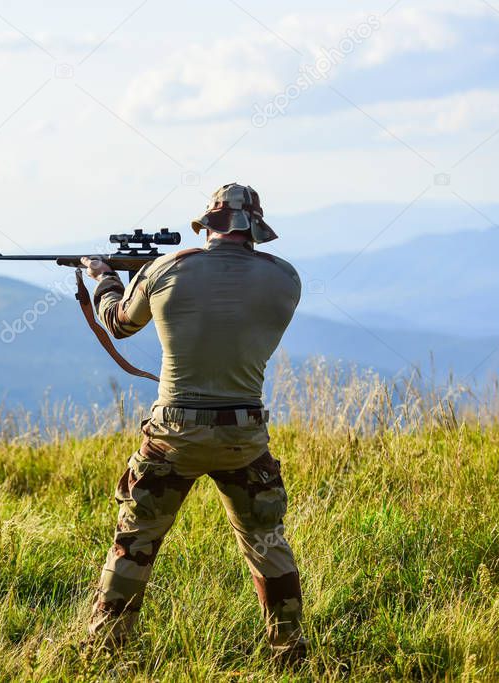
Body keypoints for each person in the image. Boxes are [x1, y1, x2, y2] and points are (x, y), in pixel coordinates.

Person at [79, 183, 306, 663]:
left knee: (135, 539)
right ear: (256, 227)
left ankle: (105, 649)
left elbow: (118, 321)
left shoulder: (167, 269)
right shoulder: (286, 279)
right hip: (243, 433)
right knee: (266, 540)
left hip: (172, 434)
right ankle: (289, 650)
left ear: (209, 223)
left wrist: (104, 276)